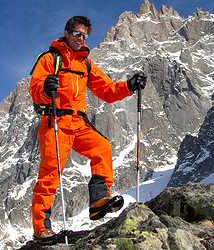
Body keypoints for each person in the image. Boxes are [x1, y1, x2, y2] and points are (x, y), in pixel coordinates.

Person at [29, 16, 147, 239]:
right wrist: (46, 88)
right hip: (55, 122)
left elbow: (107, 90)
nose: (81, 39)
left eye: (85, 36)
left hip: (79, 123)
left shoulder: (85, 63)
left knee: (102, 148)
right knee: (50, 174)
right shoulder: (50, 59)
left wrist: (129, 86)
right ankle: (41, 228)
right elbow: (35, 89)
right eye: (77, 34)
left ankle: (99, 200)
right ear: (67, 33)